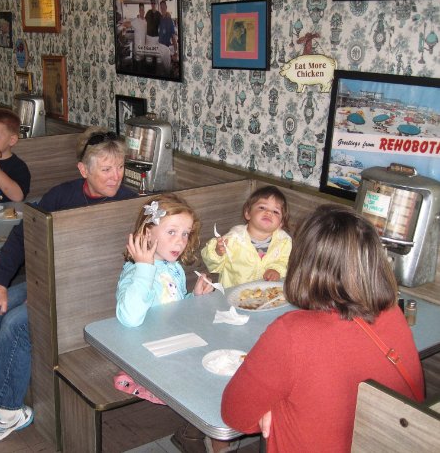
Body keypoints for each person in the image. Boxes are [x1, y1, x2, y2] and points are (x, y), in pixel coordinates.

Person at [0, 126, 137, 442]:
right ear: (84, 170)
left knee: (17, 323)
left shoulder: (129, 204)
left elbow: (115, 270)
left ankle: (7, 409)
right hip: (52, 284)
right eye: (107, 169)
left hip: (92, 297)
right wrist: (0, 283)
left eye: (120, 167)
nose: (116, 176)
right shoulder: (62, 195)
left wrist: (49, 296)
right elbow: (21, 235)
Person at [222, 205, 424, 452]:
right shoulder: (393, 312)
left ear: (304, 263)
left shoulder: (292, 333)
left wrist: (275, 408)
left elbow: (235, 414)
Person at [116, 193, 212, 328]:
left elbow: (174, 307)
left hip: (172, 335)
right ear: (148, 234)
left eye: (185, 234)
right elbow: (130, 319)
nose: (180, 242)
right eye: (172, 232)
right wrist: (144, 269)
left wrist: (195, 298)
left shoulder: (174, 268)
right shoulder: (135, 272)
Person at [201, 185, 292, 289]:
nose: (269, 213)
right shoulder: (233, 239)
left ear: (281, 223)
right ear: (248, 213)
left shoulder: (284, 241)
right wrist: (217, 253)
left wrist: (276, 270)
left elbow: (285, 263)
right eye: (262, 207)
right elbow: (213, 266)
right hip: (232, 299)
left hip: (267, 297)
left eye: (275, 211)